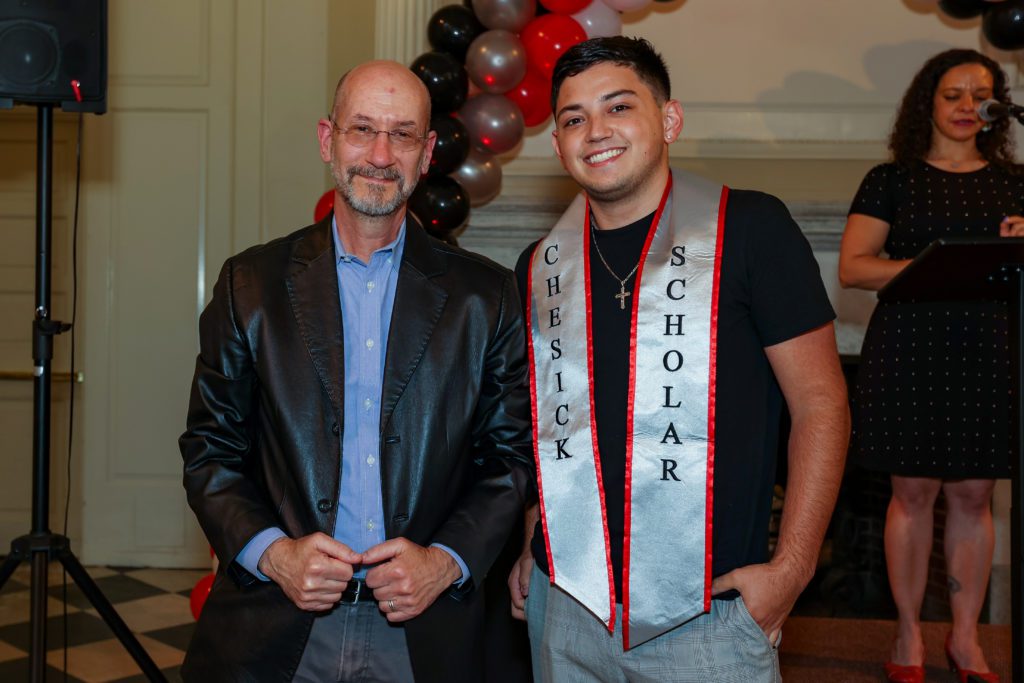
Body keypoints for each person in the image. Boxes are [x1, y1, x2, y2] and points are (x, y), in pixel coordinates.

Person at [179, 60, 533, 683]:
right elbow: (210, 451)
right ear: (327, 139)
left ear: (426, 154)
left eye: (401, 134)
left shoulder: (489, 297)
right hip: (279, 621)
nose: (379, 153)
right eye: (361, 129)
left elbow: (510, 460)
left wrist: (446, 561)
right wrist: (275, 554)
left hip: (429, 630)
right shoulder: (250, 285)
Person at [508, 37, 850, 681]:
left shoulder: (748, 229)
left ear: (669, 120)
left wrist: (794, 568)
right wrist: (534, 535)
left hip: (708, 615)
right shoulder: (541, 267)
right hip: (566, 608)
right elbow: (551, 428)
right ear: (557, 145)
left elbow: (822, 404)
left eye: (618, 107)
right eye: (573, 118)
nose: (595, 131)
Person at [839, 48, 1022, 683]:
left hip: (987, 350)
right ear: (928, 102)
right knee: (911, 493)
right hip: (911, 345)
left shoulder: (1017, 184)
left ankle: (967, 640)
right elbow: (854, 266)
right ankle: (909, 634)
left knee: (975, 496)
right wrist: (931, 267)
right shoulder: (891, 179)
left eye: (982, 95)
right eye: (954, 94)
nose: (969, 106)